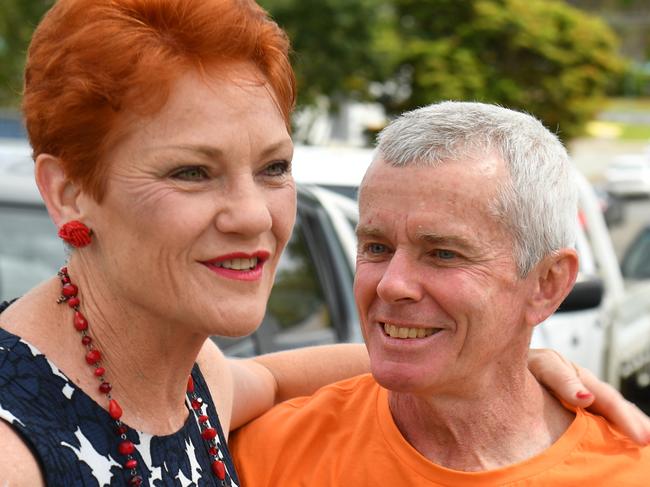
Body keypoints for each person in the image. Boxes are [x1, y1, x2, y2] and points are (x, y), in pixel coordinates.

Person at [0, 1, 644, 485]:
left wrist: (507, 357)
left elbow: (280, 379)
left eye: (274, 168)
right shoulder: (15, 450)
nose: (252, 215)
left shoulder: (194, 383)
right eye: (191, 172)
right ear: (67, 192)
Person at [231, 102, 650, 486]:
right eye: (377, 247)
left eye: (443, 254)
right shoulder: (265, 454)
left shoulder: (629, 470)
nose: (391, 284)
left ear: (548, 283)